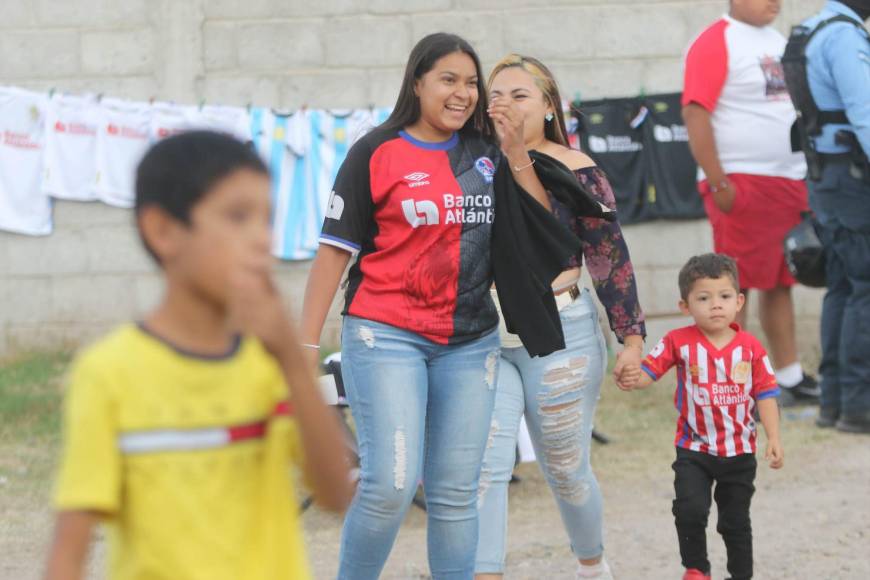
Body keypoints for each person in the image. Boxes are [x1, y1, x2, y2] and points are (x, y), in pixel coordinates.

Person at [298, 34, 583, 579]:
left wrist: (516, 150)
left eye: (471, 82)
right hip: (385, 334)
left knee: (455, 492)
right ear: (417, 83)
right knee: (391, 484)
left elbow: (542, 227)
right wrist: (304, 348)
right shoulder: (376, 151)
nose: (463, 93)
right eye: (448, 80)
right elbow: (334, 254)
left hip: (468, 341)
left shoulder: (486, 152)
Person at [43, 131, 354, 580]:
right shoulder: (108, 374)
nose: (260, 239)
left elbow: (334, 494)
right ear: (163, 230)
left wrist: (291, 359)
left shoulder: (267, 365)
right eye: (237, 217)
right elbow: (68, 552)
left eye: (266, 220)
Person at [473, 54, 646, 580]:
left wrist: (630, 337)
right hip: (482, 336)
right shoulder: (470, 166)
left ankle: (592, 565)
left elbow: (608, 256)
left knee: (567, 469)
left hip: (563, 331)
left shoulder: (576, 170)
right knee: (485, 469)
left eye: (519, 95)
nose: (503, 104)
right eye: (495, 95)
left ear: (550, 107)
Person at [682, 0, 819, 406]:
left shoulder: (775, 39)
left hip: (787, 180)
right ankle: (730, 387)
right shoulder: (715, 40)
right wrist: (720, 183)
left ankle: (789, 375)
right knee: (732, 288)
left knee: (778, 281)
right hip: (742, 182)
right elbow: (694, 112)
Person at [618, 253, 784, 580]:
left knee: (735, 522)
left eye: (724, 297)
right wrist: (629, 373)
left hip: (739, 452)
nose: (715, 306)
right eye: (704, 298)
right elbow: (647, 375)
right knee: (689, 510)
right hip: (694, 450)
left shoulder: (751, 348)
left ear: (738, 301)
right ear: (685, 306)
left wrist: (774, 438)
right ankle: (696, 569)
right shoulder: (677, 342)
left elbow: (766, 393)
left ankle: (740, 575)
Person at [789, 0, 870, 433]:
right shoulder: (843, 34)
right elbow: (865, 113)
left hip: (827, 175)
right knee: (865, 289)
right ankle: (859, 405)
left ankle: (836, 401)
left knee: (842, 286)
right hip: (851, 177)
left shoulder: (809, 30)